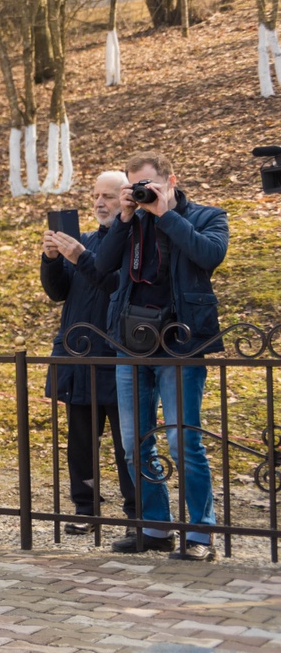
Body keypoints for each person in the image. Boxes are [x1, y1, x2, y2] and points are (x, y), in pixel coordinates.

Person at [96, 151, 230, 561]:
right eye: (134, 187)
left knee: (183, 441)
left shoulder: (207, 216)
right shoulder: (130, 222)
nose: (142, 193)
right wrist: (123, 218)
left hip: (181, 342)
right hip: (131, 342)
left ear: (171, 180)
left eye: (148, 185)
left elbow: (210, 256)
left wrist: (166, 214)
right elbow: (102, 266)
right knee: (134, 443)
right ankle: (155, 528)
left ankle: (200, 535)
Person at [41, 171, 134, 535]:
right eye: (95, 195)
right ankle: (86, 509)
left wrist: (80, 257)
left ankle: (135, 514)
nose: (99, 203)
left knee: (130, 442)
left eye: (108, 196)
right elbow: (57, 292)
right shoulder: (84, 240)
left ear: (126, 199)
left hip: (116, 355)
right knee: (80, 442)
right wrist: (52, 258)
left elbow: (114, 285)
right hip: (77, 355)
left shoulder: (132, 243)